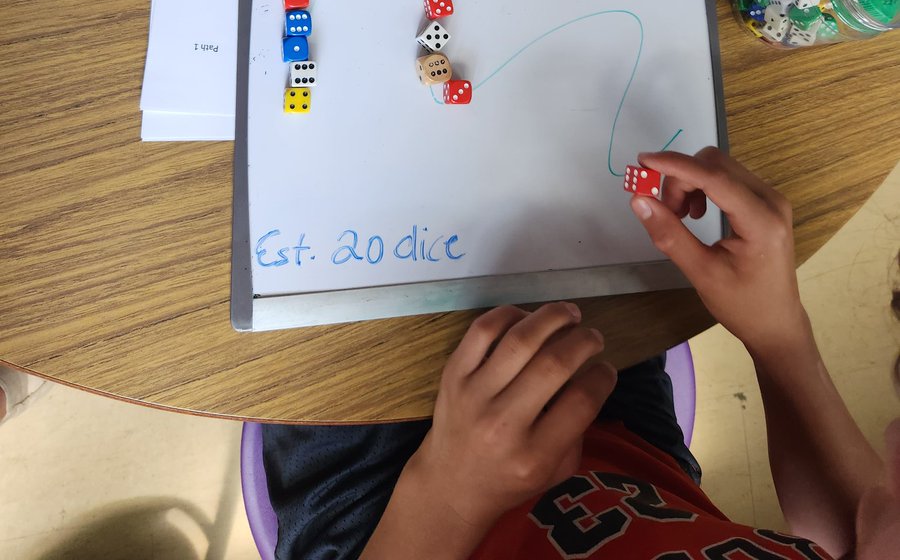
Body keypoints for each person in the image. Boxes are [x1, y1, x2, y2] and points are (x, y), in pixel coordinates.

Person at [263, 147, 900, 560]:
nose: (890, 444)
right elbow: (855, 527)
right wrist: (781, 338)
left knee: (297, 261)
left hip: (395, 522)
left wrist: (452, 496)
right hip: (631, 466)